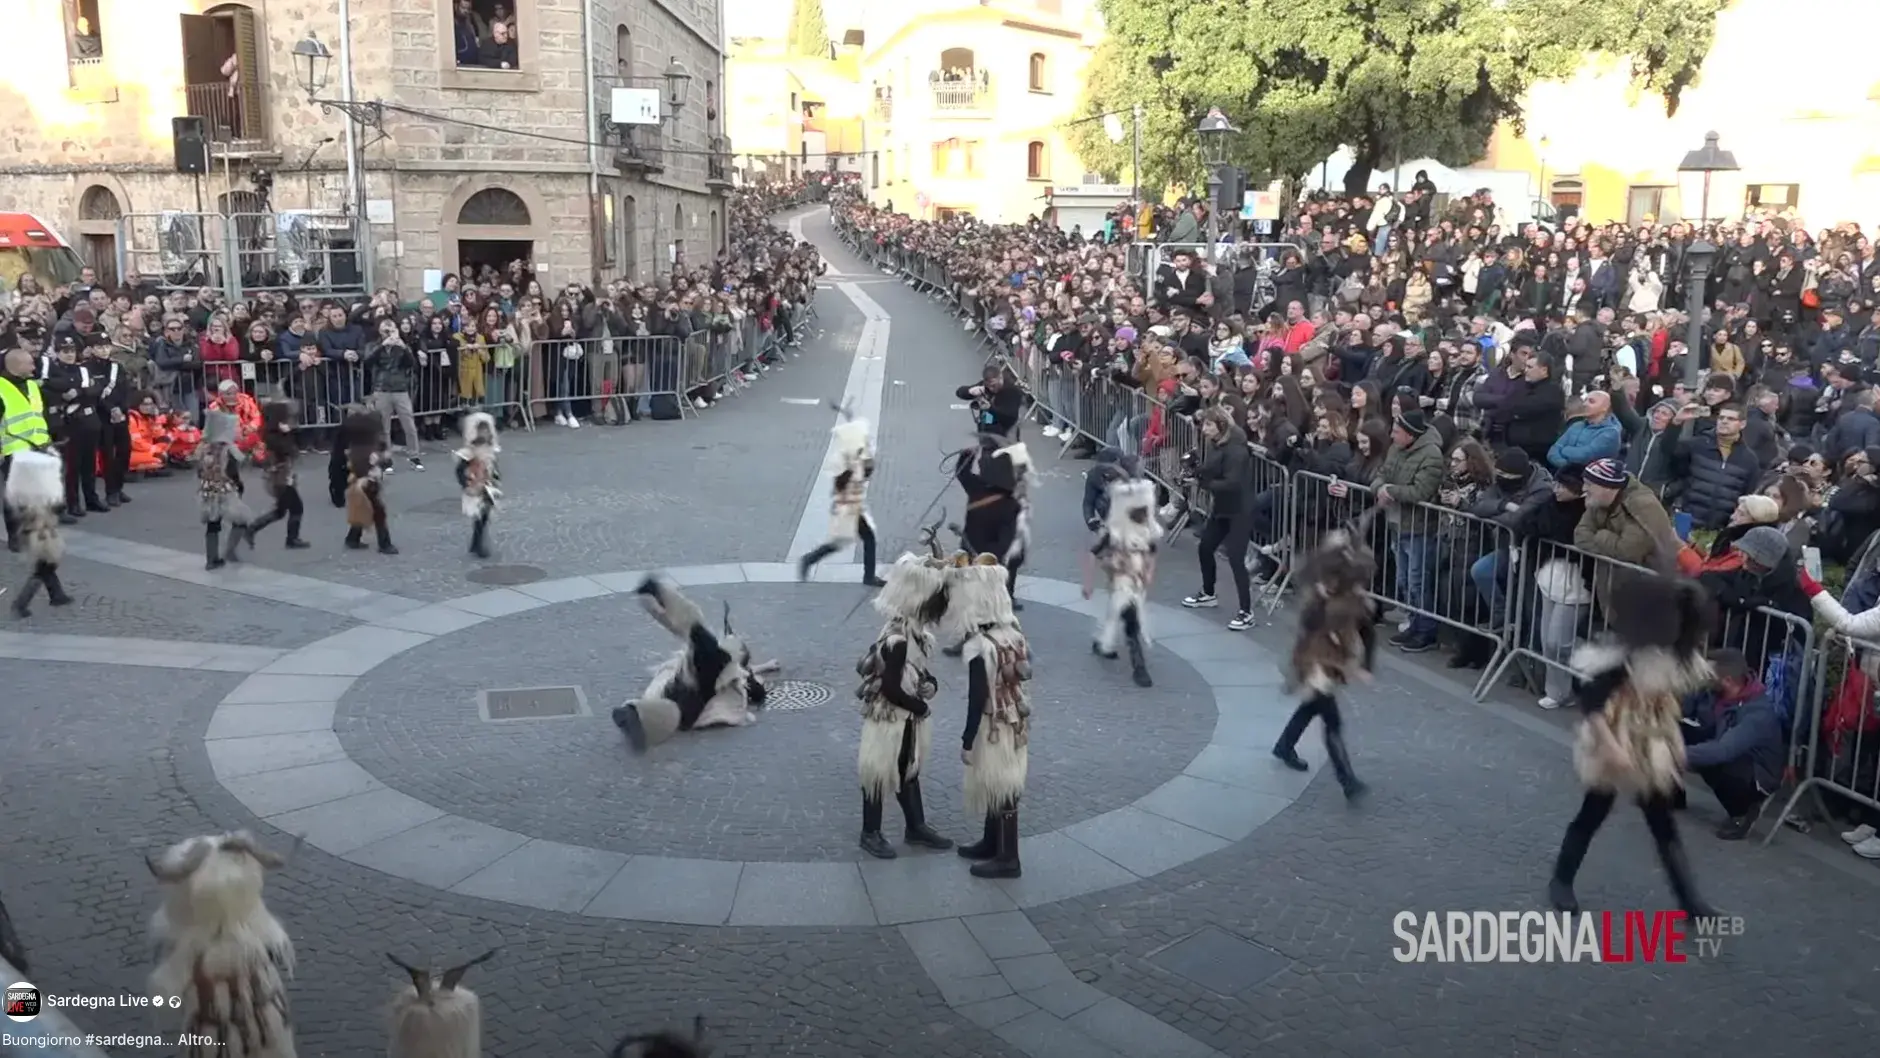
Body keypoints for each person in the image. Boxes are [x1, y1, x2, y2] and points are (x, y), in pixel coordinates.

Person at [1548, 574, 1719, 916]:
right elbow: (1593, 705)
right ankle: (1561, 881)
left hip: (1652, 740)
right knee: (1593, 811)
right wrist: (1611, 747)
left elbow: (1666, 703)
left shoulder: (1675, 654)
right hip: (1614, 733)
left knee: (1662, 821)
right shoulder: (1620, 656)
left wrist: (1676, 746)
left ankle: (1690, 901)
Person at [854, 553, 955, 859]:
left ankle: (916, 826)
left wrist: (929, 684)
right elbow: (891, 687)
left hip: (905, 717)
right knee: (878, 772)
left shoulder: (914, 634)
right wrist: (920, 707)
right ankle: (869, 832)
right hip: (889, 718)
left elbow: (917, 671)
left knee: (907, 768)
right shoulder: (897, 640)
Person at [611, 575, 779, 752]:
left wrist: (759, 669)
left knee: (696, 633)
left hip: (685, 692)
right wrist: (759, 671)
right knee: (696, 637)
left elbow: (754, 687)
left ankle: (634, 713)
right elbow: (756, 690)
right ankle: (634, 712)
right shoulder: (731, 669)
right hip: (689, 701)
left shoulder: (725, 663)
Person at [1271, 516, 1375, 799]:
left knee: (1312, 708)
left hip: (1329, 663)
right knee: (1332, 721)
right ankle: (1348, 781)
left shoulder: (1350, 599)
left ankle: (1284, 745)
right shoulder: (1318, 602)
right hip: (1315, 664)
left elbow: (1367, 631)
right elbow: (1310, 631)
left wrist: (1365, 665)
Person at [950, 552, 1030, 879]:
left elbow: (977, 697)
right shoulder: (1013, 633)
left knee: (1002, 784)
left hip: (994, 723)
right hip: (1015, 720)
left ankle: (1008, 857)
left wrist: (967, 741)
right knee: (1003, 780)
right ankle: (991, 841)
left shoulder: (979, 645)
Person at [1682, 649, 1785, 840]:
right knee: (1675, 729)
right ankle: (1668, 792)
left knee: (1722, 758)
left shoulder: (1757, 713)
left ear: (1727, 680)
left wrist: (1673, 754)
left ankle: (1742, 812)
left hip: (1754, 773)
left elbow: (1724, 750)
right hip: (1720, 743)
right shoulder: (1710, 689)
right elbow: (1680, 710)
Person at [1085, 475, 1161, 688]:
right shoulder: (1115, 534)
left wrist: (1149, 573)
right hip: (1121, 580)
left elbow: (1153, 552)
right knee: (1132, 620)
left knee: (1117, 614)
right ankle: (1139, 667)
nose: (1142, 516)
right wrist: (1088, 583)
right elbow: (1093, 553)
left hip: (1137, 582)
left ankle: (1103, 643)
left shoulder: (1147, 530)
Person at [1183, 408, 1256, 630]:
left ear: (1221, 427)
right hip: (1222, 507)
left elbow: (1232, 483)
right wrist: (1195, 470)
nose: (1204, 430)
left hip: (1240, 510)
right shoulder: (1216, 445)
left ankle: (1246, 611)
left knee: (1236, 558)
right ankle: (1208, 592)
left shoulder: (1237, 451)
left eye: (1208, 425)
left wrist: (1202, 483)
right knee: (1205, 547)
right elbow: (1212, 469)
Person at [797, 418, 884, 586]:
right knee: (865, 538)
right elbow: (867, 471)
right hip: (851, 506)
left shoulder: (846, 461)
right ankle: (868, 577)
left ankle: (809, 559)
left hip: (849, 504)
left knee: (840, 541)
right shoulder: (853, 464)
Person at [952, 434, 1031, 607]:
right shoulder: (1012, 501)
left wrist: (967, 455)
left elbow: (961, 473)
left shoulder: (976, 487)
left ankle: (973, 592)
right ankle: (1007, 594)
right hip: (993, 548)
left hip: (975, 545)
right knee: (1014, 555)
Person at [4, 449, 71, 617]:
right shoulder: (40, 490)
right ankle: (20, 603)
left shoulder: (24, 487)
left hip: (37, 528)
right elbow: (54, 506)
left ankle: (57, 594)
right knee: (46, 564)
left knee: (46, 563)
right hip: (41, 530)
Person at [1, 346, 54, 551]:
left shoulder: (32, 385)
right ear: (16, 366)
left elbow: (38, 415)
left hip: (37, 446)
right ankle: (15, 535)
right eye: (29, 362)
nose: (34, 366)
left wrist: (46, 440)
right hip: (13, 450)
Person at [244, 401, 309, 551]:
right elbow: (288, 450)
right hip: (280, 478)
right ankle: (291, 539)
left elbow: (298, 445)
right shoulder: (272, 436)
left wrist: (291, 432)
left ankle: (252, 529)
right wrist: (287, 434)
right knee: (296, 508)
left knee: (281, 511)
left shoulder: (274, 433)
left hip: (282, 476)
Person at [197, 409, 252, 570]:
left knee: (212, 524)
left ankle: (211, 558)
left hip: (207, 491)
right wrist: (239, 485)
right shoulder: (229, 449)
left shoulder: (204, 448)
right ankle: (230, 550)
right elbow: (233, 471)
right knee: (240, 520)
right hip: (226, 491)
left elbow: (199, 470)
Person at [341, 409, 397, 555]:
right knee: (378, 512)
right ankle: (384, 544)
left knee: (363, 509)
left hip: (363, 481)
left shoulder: (358, 445)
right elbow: (372, 462)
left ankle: (352, 538)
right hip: (366, 482)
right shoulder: (366, 448)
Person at [453, 411, 502, 559]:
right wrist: (465, 484)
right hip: (474, 485)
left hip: (487, 485)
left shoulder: (489, 450)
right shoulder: (469, 453)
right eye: (482, 431)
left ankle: (476, 542)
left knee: (484, 515)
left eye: (487, 430)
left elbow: (493, 467)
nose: (485, 433)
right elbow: (460, 470)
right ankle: (478, 544)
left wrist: (496, 480)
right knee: (479, 514)